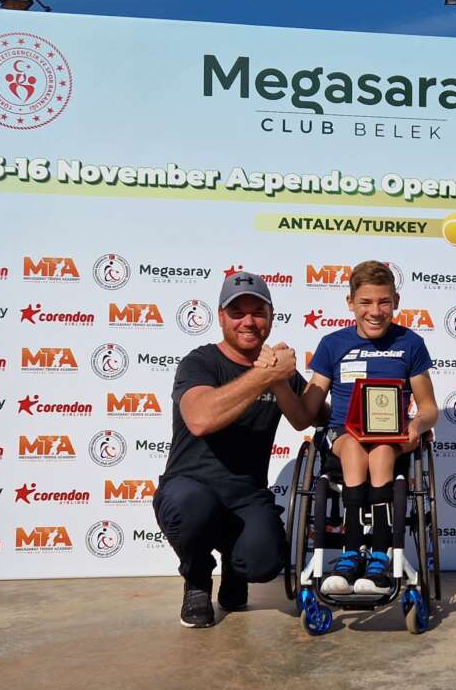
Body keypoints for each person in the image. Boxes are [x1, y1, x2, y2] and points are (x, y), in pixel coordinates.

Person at [153, 272, 320, 628]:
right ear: (220, 317)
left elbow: (313, 415)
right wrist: (265, 376)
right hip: (189, 487)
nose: (248, 321)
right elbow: (200, 419)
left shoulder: (280, 372)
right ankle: (197, 580)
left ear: (271, 317)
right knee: (190, 506)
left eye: (258, 312)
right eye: (237, 312)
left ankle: (235, 564)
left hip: (246, 496)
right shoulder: (200, 362)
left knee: (265, 561)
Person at [298, 260, 439, 595]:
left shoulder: (410, 344)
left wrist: (418, 423)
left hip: (391, 437)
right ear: (350, 303)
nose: (375, 311)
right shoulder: (332, 344)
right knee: (351, 445)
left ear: (396, 301)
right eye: (365, 302)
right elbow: (308, 408)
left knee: (381, 449)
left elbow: (430, 409)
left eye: (384, 302)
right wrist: (278, 383)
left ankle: (379, 556)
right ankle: (350, 553)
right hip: (343, 436)